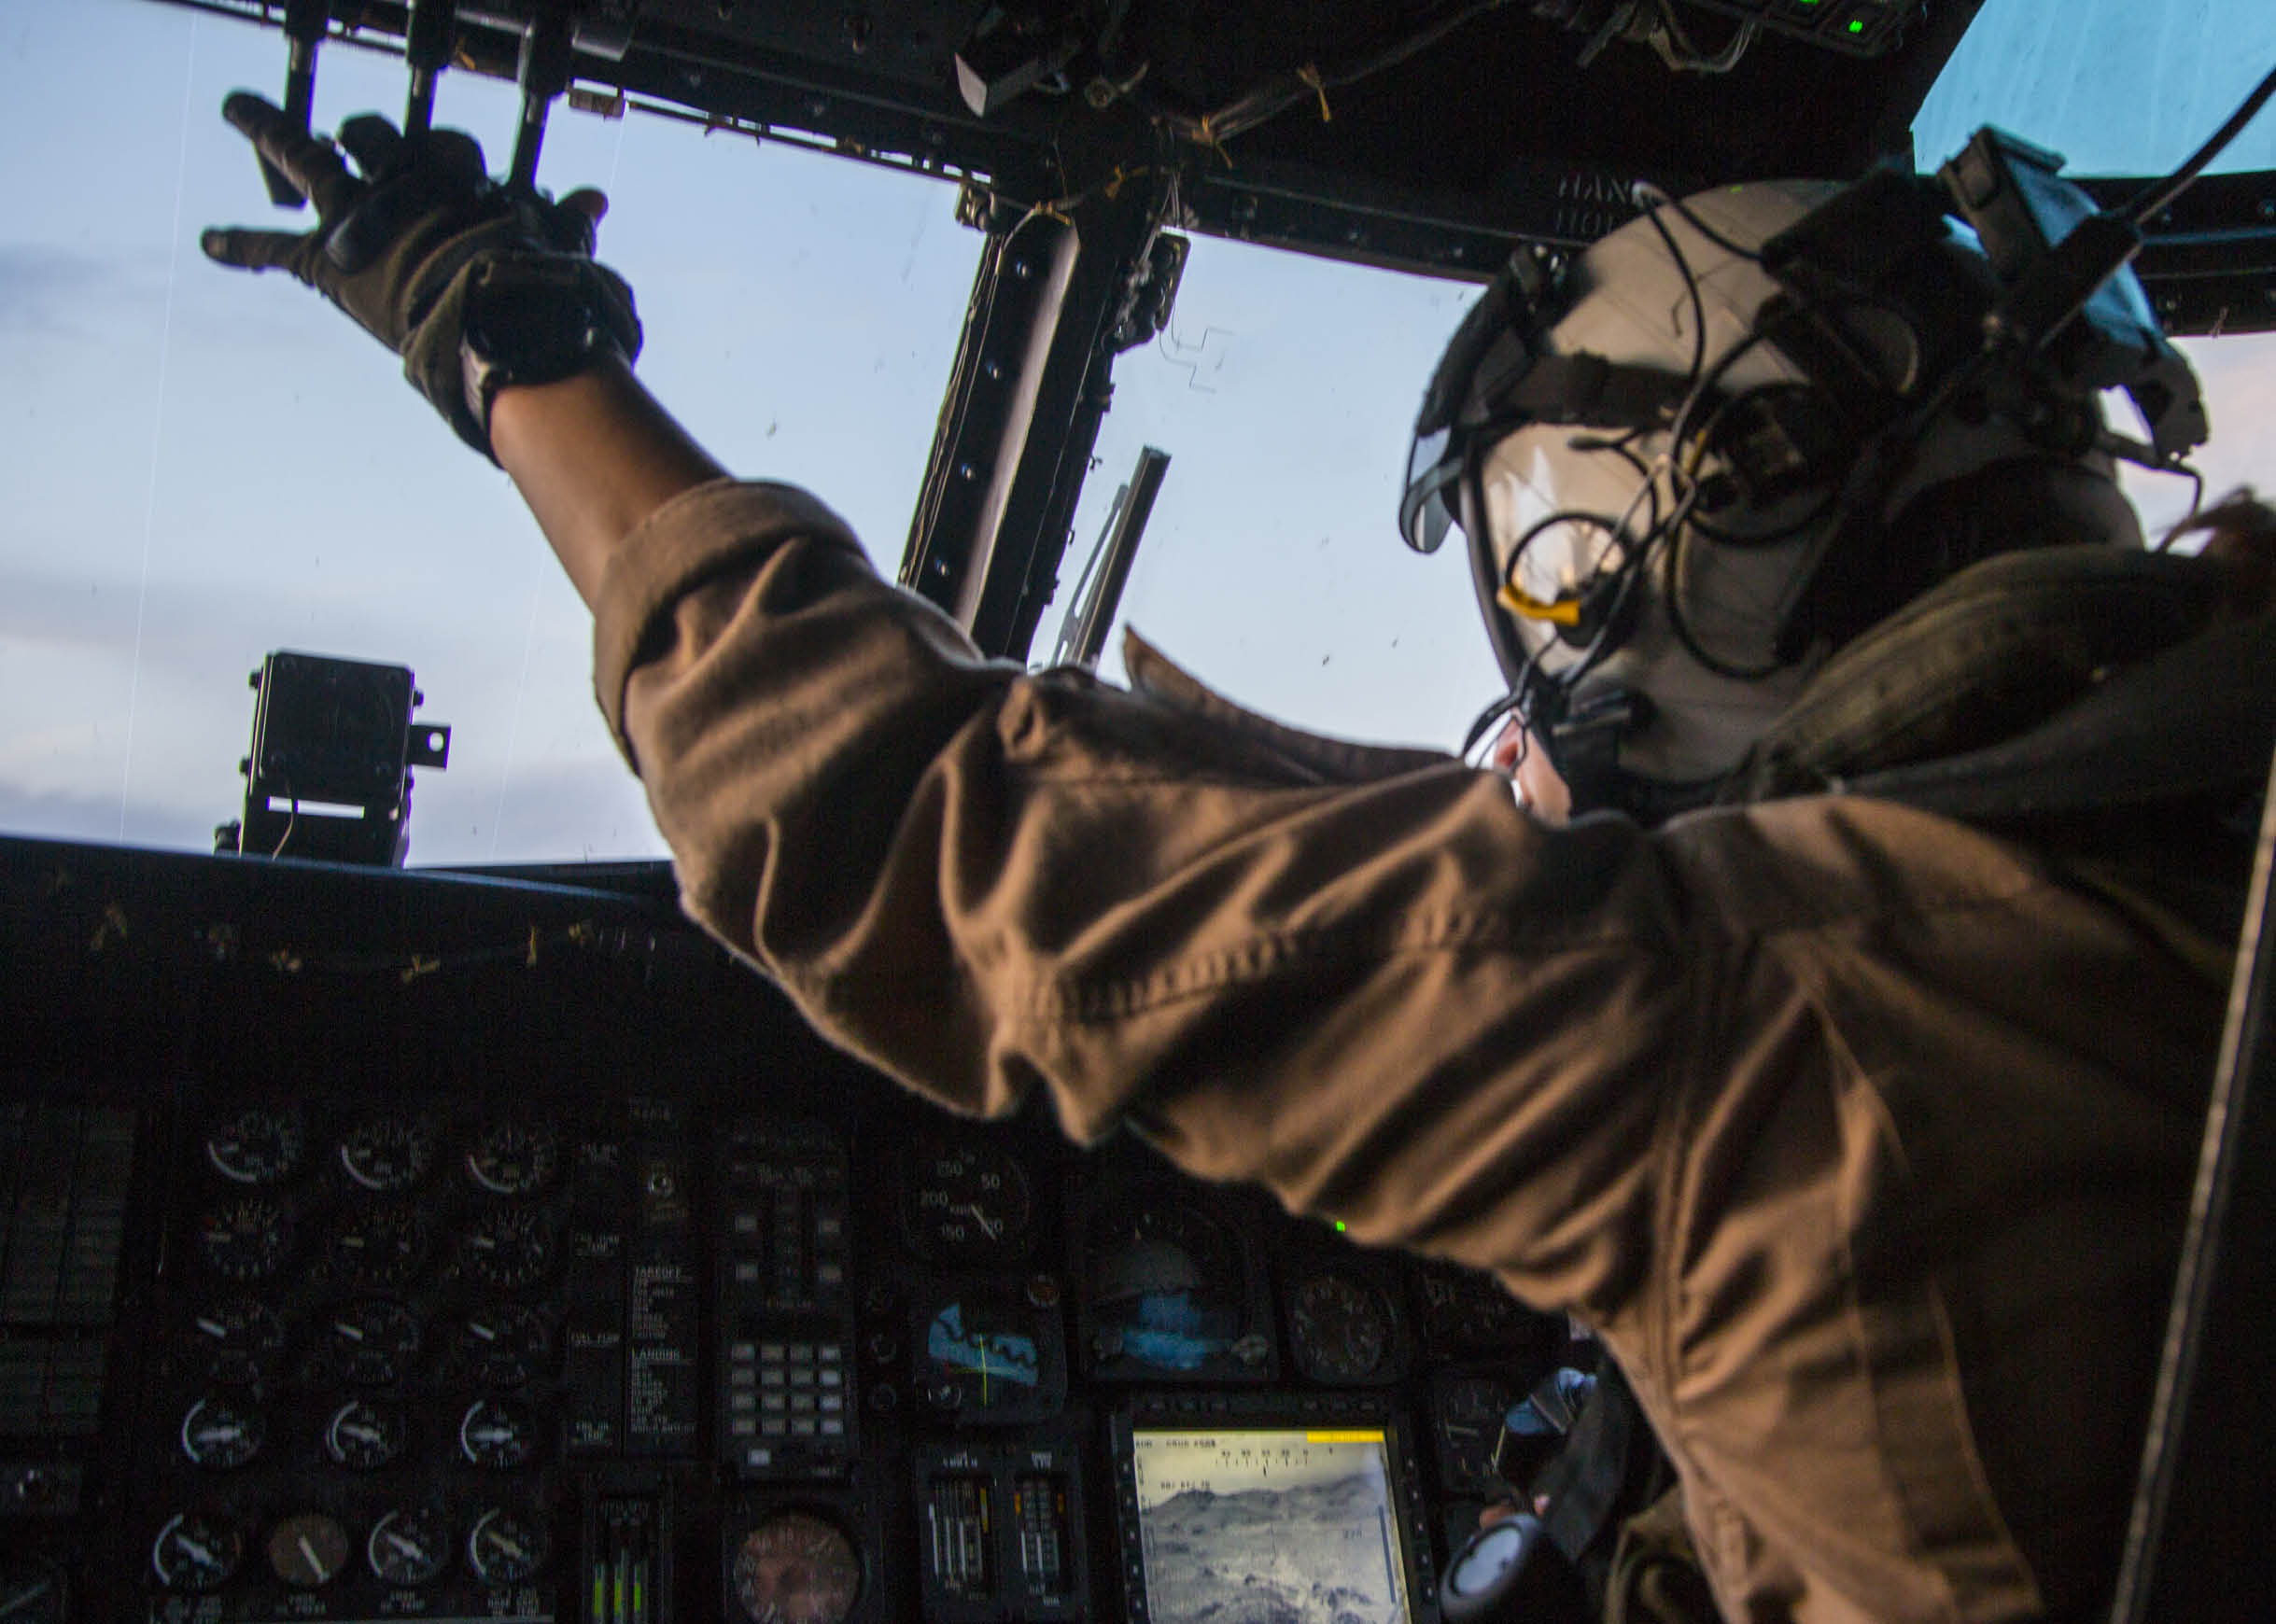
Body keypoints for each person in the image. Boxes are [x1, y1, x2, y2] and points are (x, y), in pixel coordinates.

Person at [201, 91, 2272, 1622]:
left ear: (1676, 530)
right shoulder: (2187, 852)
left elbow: (905, 818)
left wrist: (512, 348)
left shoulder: (1761, 1015)